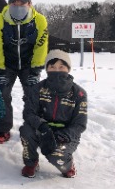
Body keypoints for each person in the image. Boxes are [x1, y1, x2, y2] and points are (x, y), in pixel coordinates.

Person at [0, 0, 48, 143]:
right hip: (7, 64)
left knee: (33, 96)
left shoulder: (39, 20)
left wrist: (36, 69)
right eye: (14, 3)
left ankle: (32, 128)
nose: (18, 5)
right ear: (9, 4)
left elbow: (41, 45)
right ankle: (3, 128)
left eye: (22, 2)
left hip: (29, 64)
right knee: (1, 94)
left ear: (30, 3)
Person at [19, 50, 87, 178]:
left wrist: (63, 135)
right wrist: (43, 127)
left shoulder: (79, 93)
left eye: (61, 67)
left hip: (65, 134)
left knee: (57, 157)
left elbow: (80, 124)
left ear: (68, 69)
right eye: (52, 67)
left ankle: (67, 163)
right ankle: (31, 163)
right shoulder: (37, 88)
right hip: (42, 129)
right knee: (26, 131)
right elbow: (29, 113)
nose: (57, 70)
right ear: (47, 69)